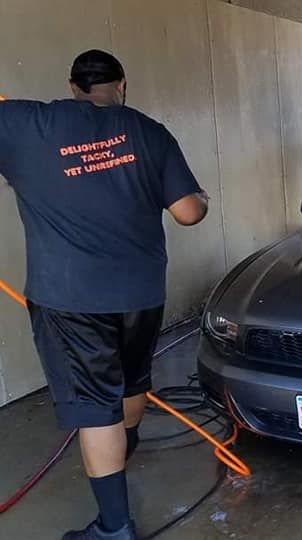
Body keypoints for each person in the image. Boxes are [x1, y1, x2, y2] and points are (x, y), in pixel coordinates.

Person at [0, 49, 208, 539]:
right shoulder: (149, 132)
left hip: (70, 298)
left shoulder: (24, 122)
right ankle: (123, 450)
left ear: (73, 86)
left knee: (96, 406)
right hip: (141, 292)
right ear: (123, 84)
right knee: (133, 380)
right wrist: (201, 197)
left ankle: (114, 527)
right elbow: (187, 213)